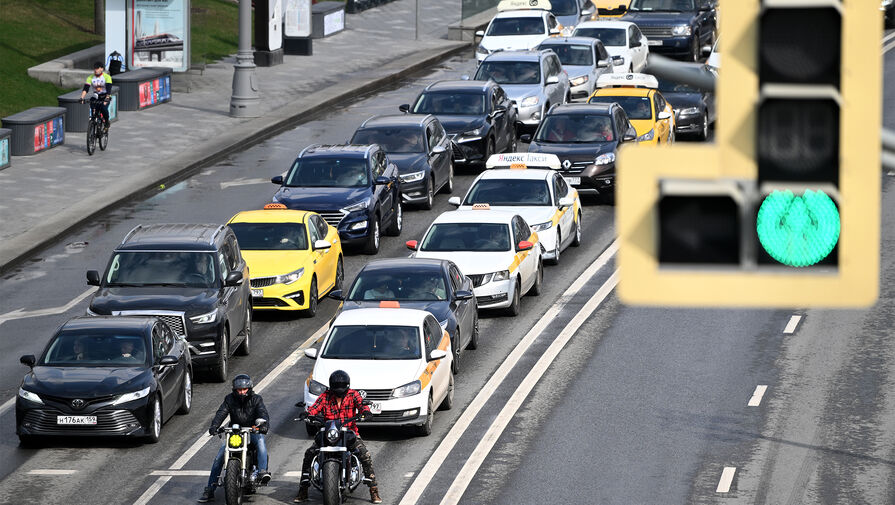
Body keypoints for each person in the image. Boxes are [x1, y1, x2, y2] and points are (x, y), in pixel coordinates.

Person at [296, 370, 381, 504]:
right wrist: (308, 414)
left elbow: (362, 405)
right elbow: (315, 407)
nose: (339, 391)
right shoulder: (325, 396)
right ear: (331, 386)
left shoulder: (353, 395)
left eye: (342, 388)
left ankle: (373, 489)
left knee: (365, 455)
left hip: (349, 432)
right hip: (327, 432)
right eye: (336, 388)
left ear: (347, 386)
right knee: (309, 454)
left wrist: (366, 412)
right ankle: (303, 489)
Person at [198, 374, 271, 503]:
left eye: (244, 389)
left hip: (252, 430)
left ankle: (262, 472)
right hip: (235, 432)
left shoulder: (256, 399)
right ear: (235, 390)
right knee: (219, 457)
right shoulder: (229, 399)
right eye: (239, 390)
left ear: (249, 389)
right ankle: (209, 489)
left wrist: (263, 425)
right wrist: (214, 426)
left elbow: (262, 413)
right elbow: (221, 412)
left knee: (260, 443)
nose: (242, 392)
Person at [79, 62, 113, 133]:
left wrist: (107, 98)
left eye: (97, 68)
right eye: (94, 68)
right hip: (96, 96)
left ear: (102, 69)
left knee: (103, 108)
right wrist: (81, 98)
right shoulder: (90, 77)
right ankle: (93, 122)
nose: (95, 70)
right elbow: (86, 89)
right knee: (93, 108)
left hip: (105, 96)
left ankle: (106, 122)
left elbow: (109, 89)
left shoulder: (107, 77)